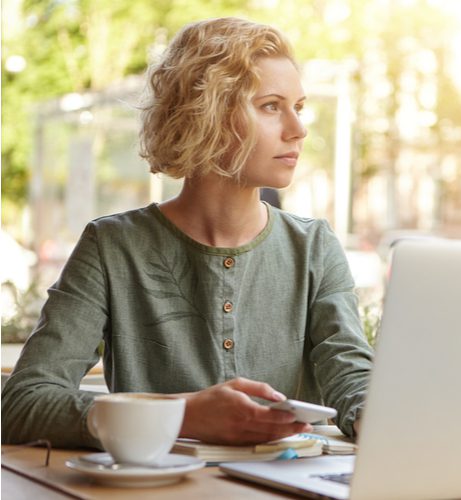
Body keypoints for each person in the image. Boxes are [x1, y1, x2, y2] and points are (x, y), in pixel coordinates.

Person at [1, 17, 373, 448]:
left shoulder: (314, 247)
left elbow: (351, 377)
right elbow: (22, 405)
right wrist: (183, 415)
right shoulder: (113, 247)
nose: (298, 128)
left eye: (299, 107)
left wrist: (375, 417)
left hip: (289, 486)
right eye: (271, 105)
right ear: (208, 114)